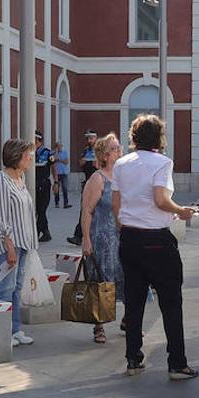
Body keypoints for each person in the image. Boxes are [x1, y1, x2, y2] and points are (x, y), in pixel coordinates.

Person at [112, 115, 198, 380]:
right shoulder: (162, 163)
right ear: (159, 137)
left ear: (134, 136)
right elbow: (161, 199)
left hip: (129, 238)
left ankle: (133, 360)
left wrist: (125, 225)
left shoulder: (121, 164)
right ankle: (177, 363)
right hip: (157, 240)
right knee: (171, 301)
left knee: (134, 301)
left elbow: (116, 203)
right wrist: (181, 211)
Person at [0, 138, 40, 347]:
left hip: (25, 242)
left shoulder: (21, 177)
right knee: (6, 288)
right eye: (27, 154)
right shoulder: (1, 180)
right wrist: (9, 246)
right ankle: (1, 332)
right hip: (11, 243)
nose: (30, 158)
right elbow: (1, 216)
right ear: (16, 156)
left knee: (17, 288)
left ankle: (15, 328)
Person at [80, 132, 123, 344]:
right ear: (104, 155)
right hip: (102, 239)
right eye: (115, 148)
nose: (119, 151)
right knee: (101, 282)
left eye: (119, 147)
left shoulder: (123, 176)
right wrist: (86, 240)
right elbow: (87, 211)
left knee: (125, 280)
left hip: (122, 237)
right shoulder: (97, 179)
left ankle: (129, 320)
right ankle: (99, 326)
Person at [68, 131, 97, 245]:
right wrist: (83, 161)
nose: (89, 140)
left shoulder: (100, 150)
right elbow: (80, 163)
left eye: (91, 138)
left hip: (98, 184)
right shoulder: (86, 150)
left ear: (95, 138)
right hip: (87, 183)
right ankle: (78, 236)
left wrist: (97, 163)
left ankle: (88, 236)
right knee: (84, 210)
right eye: (88, 138)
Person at [32, 131, 54, 242]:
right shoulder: (30, 153)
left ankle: (35, 232)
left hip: (44, 184)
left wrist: (56, 182)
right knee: (38, 209)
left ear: (37, 140)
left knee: (41, 209)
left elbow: (54, 167)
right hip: (34, 184)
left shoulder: (47, 153)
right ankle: (46, 232)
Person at [53, 141, 71, 209]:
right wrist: (56, 154)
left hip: (64, 173)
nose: (59, 148)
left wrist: (59, 159)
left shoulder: (65, 152)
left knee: (65, 189)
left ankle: (65, 203)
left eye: (60, 146)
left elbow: (66, 162)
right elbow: (53, 161)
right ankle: (57, 203)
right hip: (57, 173)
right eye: (58, 146)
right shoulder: (54, 153)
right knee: (56, 189)